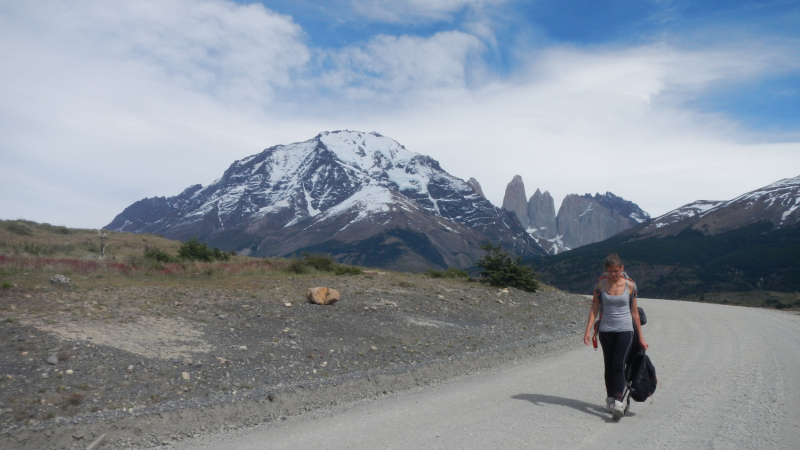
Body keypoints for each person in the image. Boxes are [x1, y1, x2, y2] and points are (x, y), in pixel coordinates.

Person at [583, 254, 648, 420]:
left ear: (622, 269)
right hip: (606, 330)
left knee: (619, 364)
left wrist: (641, 337)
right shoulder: (600, 285)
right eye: (610, 271)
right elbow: (594, 309)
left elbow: (634, 313)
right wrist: (588, 331)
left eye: (616, 270)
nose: (613, 274)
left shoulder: (630, 286)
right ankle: (610, 399)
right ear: (606, 271)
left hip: (625, 329)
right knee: (609, 365)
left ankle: (618, 402)